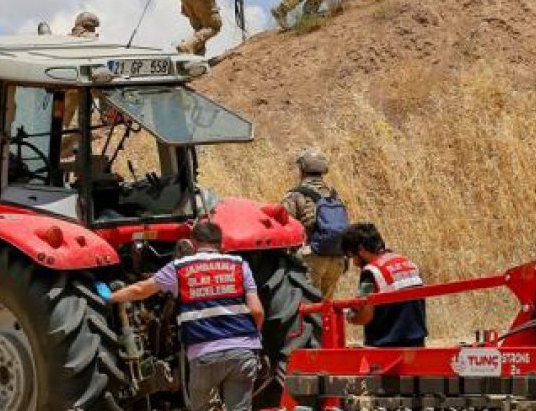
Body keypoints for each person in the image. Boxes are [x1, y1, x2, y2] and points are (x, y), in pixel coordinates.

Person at [104, 220, 264, 411]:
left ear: (192, 243)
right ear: (220, 243)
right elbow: (256, 310)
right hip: (243, 352)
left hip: (206, 354)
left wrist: (108, 297)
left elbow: (140, 290)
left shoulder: (179, 267)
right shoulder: (239, 265)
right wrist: (252, 339)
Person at [341, 222, 427, 348]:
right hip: (417, 344)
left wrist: (350, 316)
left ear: (361, 250)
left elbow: (365, 316)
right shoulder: (408, 263)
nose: (354, 263)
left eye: (352, 256)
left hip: (387, 348)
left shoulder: (370, 272)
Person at [280, 148, 349, 299]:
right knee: (327, 308)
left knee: (309, 307)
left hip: (312, 258)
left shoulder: (296, 195)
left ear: (302, 168)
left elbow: (283, 226)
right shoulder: (334, 195)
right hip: (337, 258)